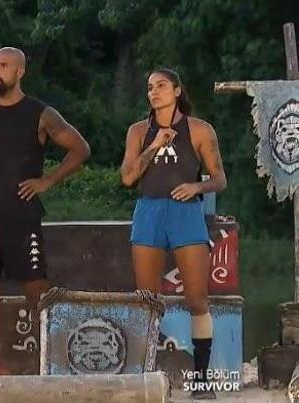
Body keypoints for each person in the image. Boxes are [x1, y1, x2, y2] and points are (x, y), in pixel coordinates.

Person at [0, 47, 90, 375]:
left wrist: (47, 180)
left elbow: (80, 149)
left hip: (22, 216)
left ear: (20, 72)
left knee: (36, 290)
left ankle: (58, 362)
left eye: (4, 65)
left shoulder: (41, 114)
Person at [120, 68, 226, 399]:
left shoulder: (199, 129)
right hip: (149, 210)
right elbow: (127, 177)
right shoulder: (139, 131)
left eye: (162, 86)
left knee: (197, 299)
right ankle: (148, 377)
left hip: (186, 212)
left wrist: (196, 186)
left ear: (177, 90)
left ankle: (202, 380)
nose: (154, 92)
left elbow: (219, 179)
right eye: (150, 87)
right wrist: (154, 144)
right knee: (147, 300)